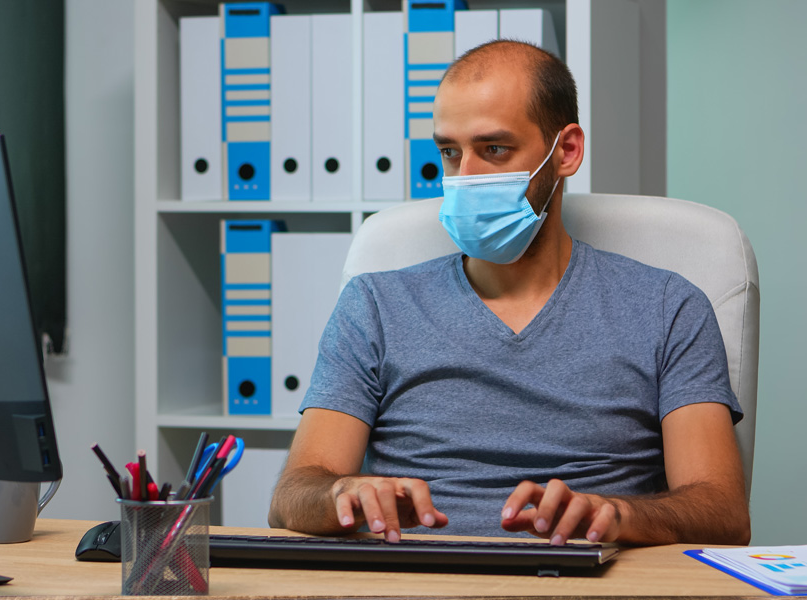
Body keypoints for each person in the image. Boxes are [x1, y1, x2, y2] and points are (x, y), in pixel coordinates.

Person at [267, 40, 750, 547]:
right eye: (450, 153)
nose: (465, 178)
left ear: (565, 152)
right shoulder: (375, 306)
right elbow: (293, 494)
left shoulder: (668, 308)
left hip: (585, 577)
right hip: (416, 579)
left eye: (493, 150)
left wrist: (618, 515)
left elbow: (723, 511)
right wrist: (342, 493)